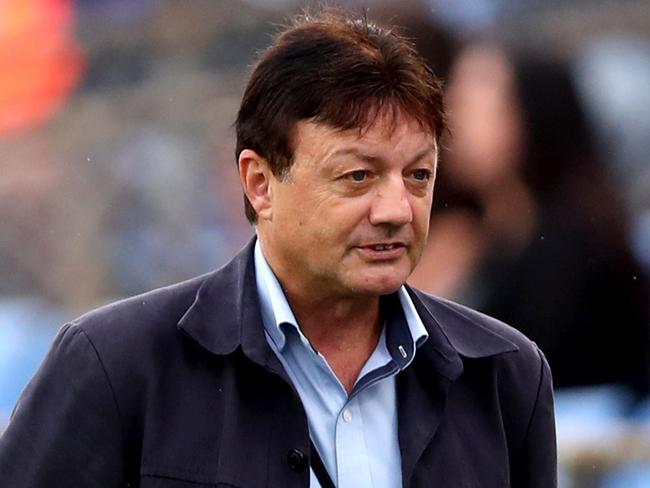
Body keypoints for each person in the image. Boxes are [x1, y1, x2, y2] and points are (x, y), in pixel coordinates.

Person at [0, 11, 556, 487]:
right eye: (358, 176)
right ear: (259, 183)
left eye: (418, 175)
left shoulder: (507, 377)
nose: (397, 209)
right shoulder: (115, 363)